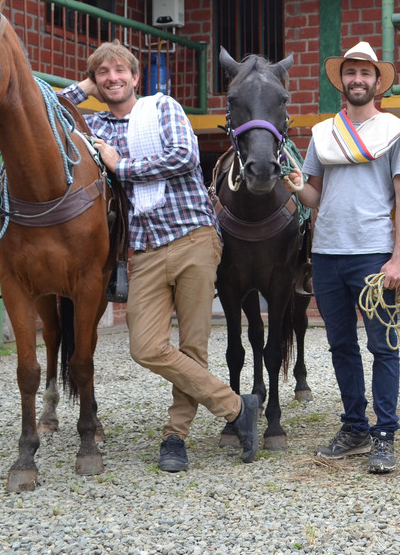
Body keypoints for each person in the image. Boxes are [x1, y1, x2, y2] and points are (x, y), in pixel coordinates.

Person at [60, 41, 259, 472]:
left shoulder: (162, 107)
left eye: (120, 71)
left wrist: (120, 166)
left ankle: (176, 438)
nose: (113, 79)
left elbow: (183, 156)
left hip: (193, 239)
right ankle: (238, 408)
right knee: (145, 346)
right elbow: (50, 112)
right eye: (103, 73)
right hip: (145, 249)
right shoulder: (93, 124)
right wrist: (81, 87)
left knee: (192, 346)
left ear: (135, 77)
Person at [285, 41, 400, 474]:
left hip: (374, 254)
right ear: (341, 81)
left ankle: (385, 433)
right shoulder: (323, 133)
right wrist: (292, 184)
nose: (357, 80)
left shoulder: (397, 131)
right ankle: (355, 426)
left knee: (382, 345)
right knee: (341, 345)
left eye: (365, 73)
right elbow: (313, 195)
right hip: (326, 252)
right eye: (350, 73)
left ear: (378, 83)